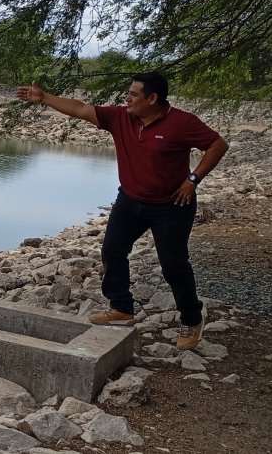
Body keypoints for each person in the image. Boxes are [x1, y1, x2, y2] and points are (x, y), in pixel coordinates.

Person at [16, 72, 229, 351]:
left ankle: (191, 319)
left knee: (173, 265)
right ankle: (122, 308)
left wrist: (193, 180)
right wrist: (44, 98)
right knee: (113, 251)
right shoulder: (121, 117)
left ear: (152, 98)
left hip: (172, 205)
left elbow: (217, 145)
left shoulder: (182, 122)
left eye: (133, 94)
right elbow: (81, 109)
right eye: (128, 93)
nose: (126, 99)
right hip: (130, 200)